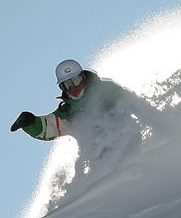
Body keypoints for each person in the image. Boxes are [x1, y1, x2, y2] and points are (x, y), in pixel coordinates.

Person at [11, 59, 159, 178]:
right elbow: (46, 127)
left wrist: (159, 122)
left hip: (127, 141)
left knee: (130, 169)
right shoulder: (68, 111)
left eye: (74, 81)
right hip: (101, 160)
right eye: (66, 85)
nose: (72, 88)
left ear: (82, 77)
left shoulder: (105, 91)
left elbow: (134, 104)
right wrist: (30, 121)